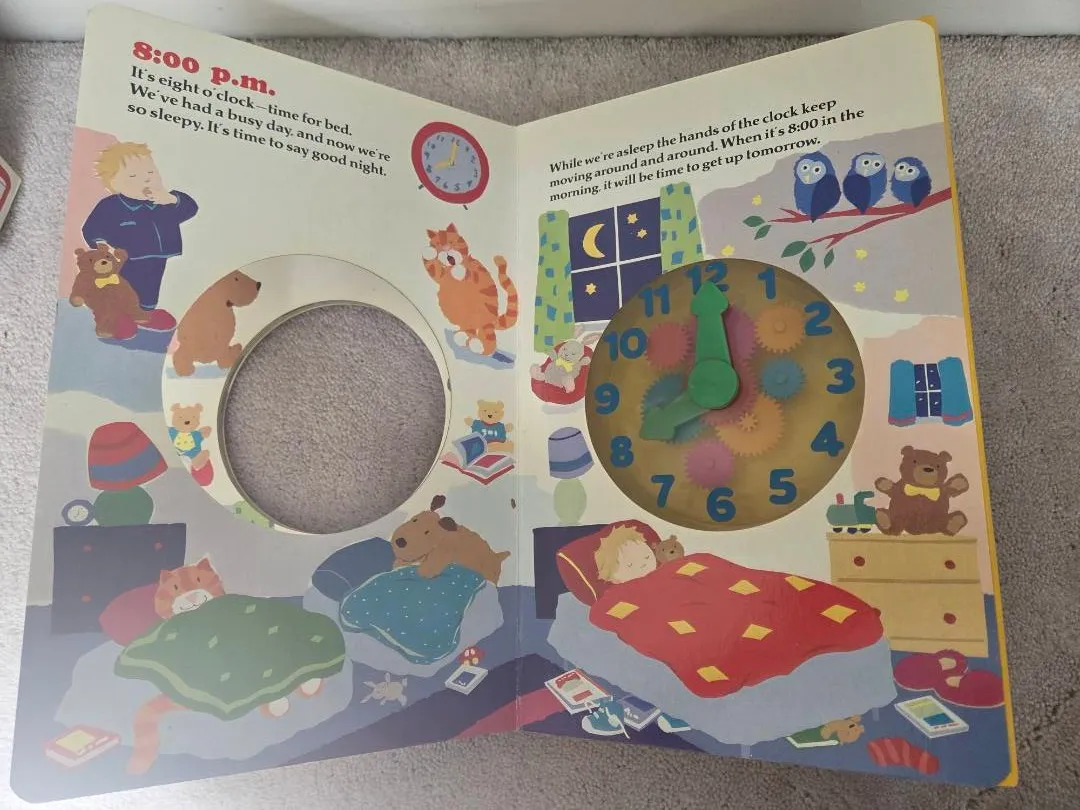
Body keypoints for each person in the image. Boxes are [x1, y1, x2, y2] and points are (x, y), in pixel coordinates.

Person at [81, 142, 198, 329]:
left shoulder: (163, 202)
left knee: (151, 287)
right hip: (125, 260)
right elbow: (92, 228)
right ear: (114, 184)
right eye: (133, 176)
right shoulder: (111, 206)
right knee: (123, 288)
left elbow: (190, 208)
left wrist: (171, 198)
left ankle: (145, 314)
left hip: (157, 256)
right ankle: (117, 315)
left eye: (151, 172)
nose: (146, 179)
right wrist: (102, 246)